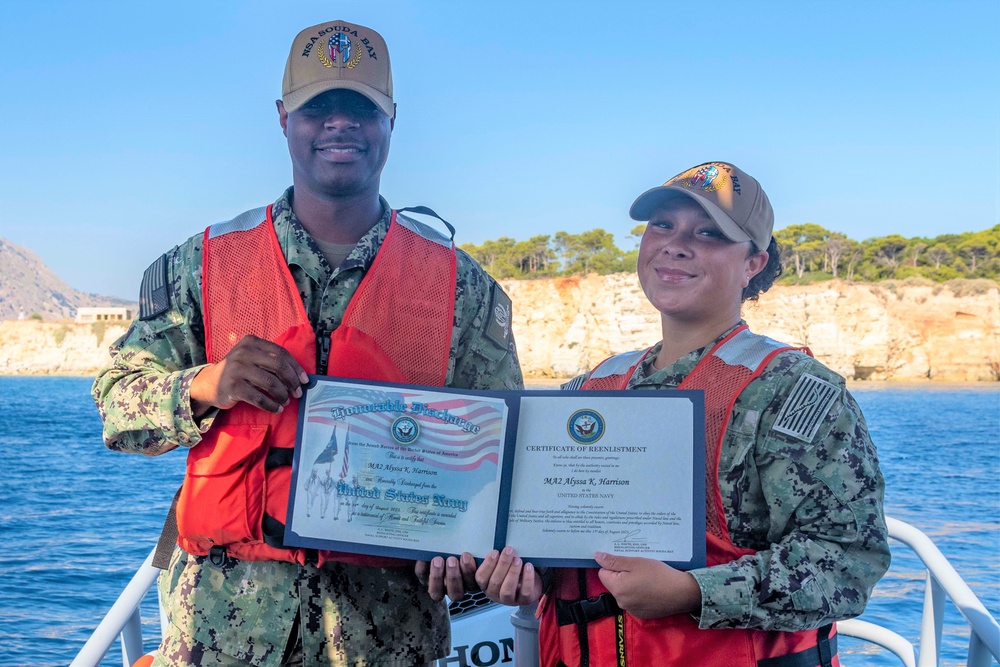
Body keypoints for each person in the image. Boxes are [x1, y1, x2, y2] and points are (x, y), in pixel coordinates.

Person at [92, 19, 522, 667]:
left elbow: (502, 461)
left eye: (361, 108)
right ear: (283, 116)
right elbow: (116, 408)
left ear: (391, 120)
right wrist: (207, 384)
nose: (340, 124)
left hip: (385, 638)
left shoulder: (466, 290)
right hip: (220, 635)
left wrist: (465, 553)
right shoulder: (198, 268)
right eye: (319, 106)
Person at [434, 162, 891, 666]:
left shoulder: (795, 393)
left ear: (753, 264)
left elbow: (848, 563)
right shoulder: (590, 388)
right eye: (662, 226)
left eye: (710, 234)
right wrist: (515, 572)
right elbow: (546, 530)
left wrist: (693, 592)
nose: (676, 244)